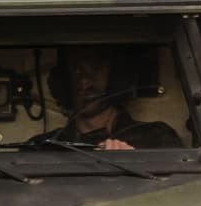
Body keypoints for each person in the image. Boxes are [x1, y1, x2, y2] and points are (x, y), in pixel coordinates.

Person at [44, 46, 183, 150]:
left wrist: (134, 164)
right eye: (76, 70)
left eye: (95, 68)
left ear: (116, 76)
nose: (84, 81)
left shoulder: (155, 138)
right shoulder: (44, 147)